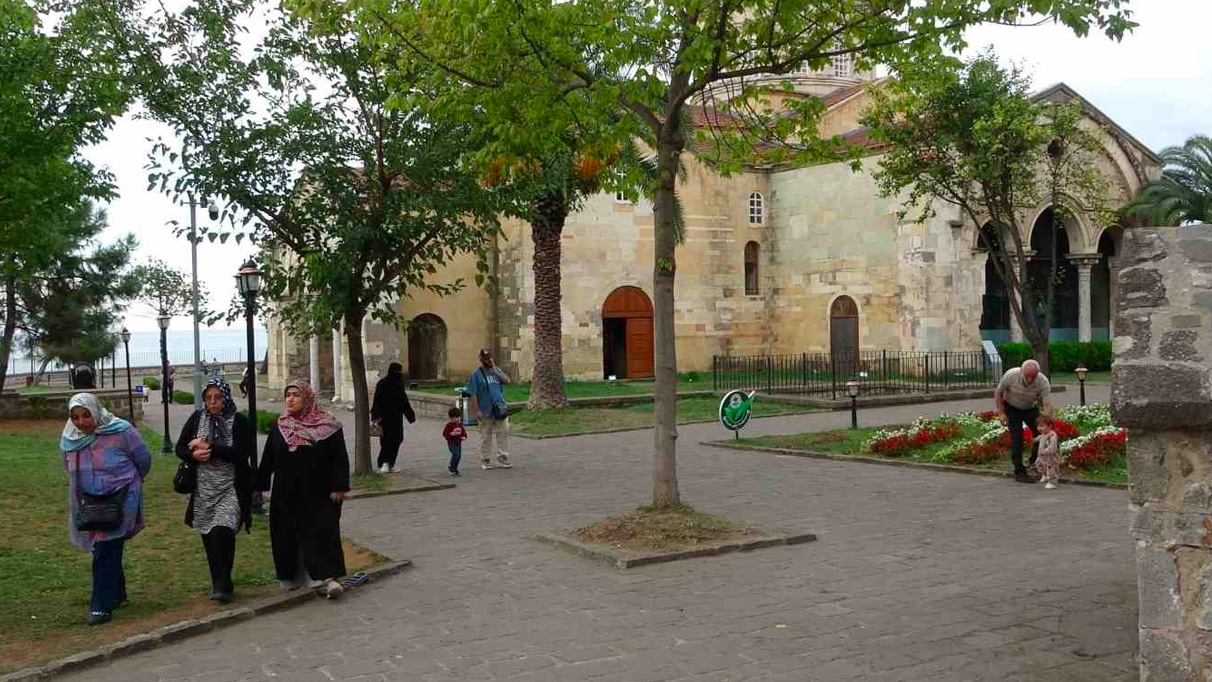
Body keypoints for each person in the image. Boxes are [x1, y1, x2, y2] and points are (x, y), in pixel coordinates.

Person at [60, 394, 153, 625]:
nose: (81, 422)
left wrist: (128, 483)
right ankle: (117, 593)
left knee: (105, 549)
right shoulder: (70, 437)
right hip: (90, 502)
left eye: (86, 415)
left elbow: (143, 460)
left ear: (96, 411)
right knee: (104, 549)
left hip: (121, 498)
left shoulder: (122, 431)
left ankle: (101, 606)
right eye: (76, 417)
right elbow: (66, 464)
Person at [256, 379, 349, 599]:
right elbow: (268, 459)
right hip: (285, 492)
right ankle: (292, 578)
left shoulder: (329, 426)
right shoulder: (281, 426)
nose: (290, 399)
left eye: (296, 395)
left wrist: (339, 486)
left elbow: (339, 459)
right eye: (288, 394)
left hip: (319, 492)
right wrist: (258, 486)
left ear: (307, 398)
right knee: (285, 534)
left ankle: (327, 578)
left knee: (321, 532)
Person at [175, 379, 254, 602]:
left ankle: (224, 583)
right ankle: (218, 583)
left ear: (226, 398)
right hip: (203, 491)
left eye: (217, 397)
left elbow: (242, 453)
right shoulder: (196, 419)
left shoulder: (239, 422)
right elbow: (180, 447)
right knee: (210, 538)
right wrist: (193, 455)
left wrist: (210, 448)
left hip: (230, 489)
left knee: (223, 532)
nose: (212, 402)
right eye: (208, 398)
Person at [994, 359, 1052, 483]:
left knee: (1042, 434)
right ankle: (1019, 471)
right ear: (1021, 372)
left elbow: (1046, 404)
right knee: (1017, 437)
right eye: (1027, 376)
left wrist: (1046, 419)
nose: (1030, 379)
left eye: (1033, 376)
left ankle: (1035, 461)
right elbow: (998, 393)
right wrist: (1001, 413)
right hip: (1011, 407)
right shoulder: (1011, 375)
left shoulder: (1043, 382)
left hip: (1030, 407)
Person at [467, 348, 512, 470]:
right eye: (485, 358)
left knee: (503, 432)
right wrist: (477, 411)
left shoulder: (497, 371)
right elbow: (473, 394)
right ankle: (485, 459)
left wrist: (495, 370)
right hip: (485, 409)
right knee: (485, 436)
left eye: (489, 358)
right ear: (481, 359)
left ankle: (503, 457)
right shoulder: (475, 375)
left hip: (499, 408)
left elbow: (507, 381)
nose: (487, 361)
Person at [370, 362, 416, 474]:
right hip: (384, 418)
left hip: (397, 418)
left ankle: (391, 463)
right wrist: (375, 416)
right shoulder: (382, 384)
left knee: (397, 439)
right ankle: (383, 463)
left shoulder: (399, 385)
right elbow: (377, 401)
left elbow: (404, 401)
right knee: (386, 441)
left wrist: (410, 415)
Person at [1034, 415, 1061, 490]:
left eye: (1042, 426)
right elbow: (1040, 438)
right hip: (1042, 456)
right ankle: (1044, 475)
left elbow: (1053, 447)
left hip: (1051, 457)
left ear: (1050, 426)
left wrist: (1045, 451)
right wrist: (1035, 439)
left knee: (1051, 468)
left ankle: (1052, 482)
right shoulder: (1044, 434)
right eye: (1038, 426)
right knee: (1039, 464)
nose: (1039, 428)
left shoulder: (1052, 435)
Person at [442, 407, 468, 476]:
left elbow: (463, 433)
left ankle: (455, 468)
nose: (458, 419)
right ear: (452, 418)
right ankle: (451, 467)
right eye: (456, 418)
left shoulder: (460, 425)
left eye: (459, 417)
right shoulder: (449, 425)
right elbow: (445, 434)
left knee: (459, 456)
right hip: (451, 442)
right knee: (455, 454)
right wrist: (451, 434)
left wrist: (464, 437)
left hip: (458, 442)